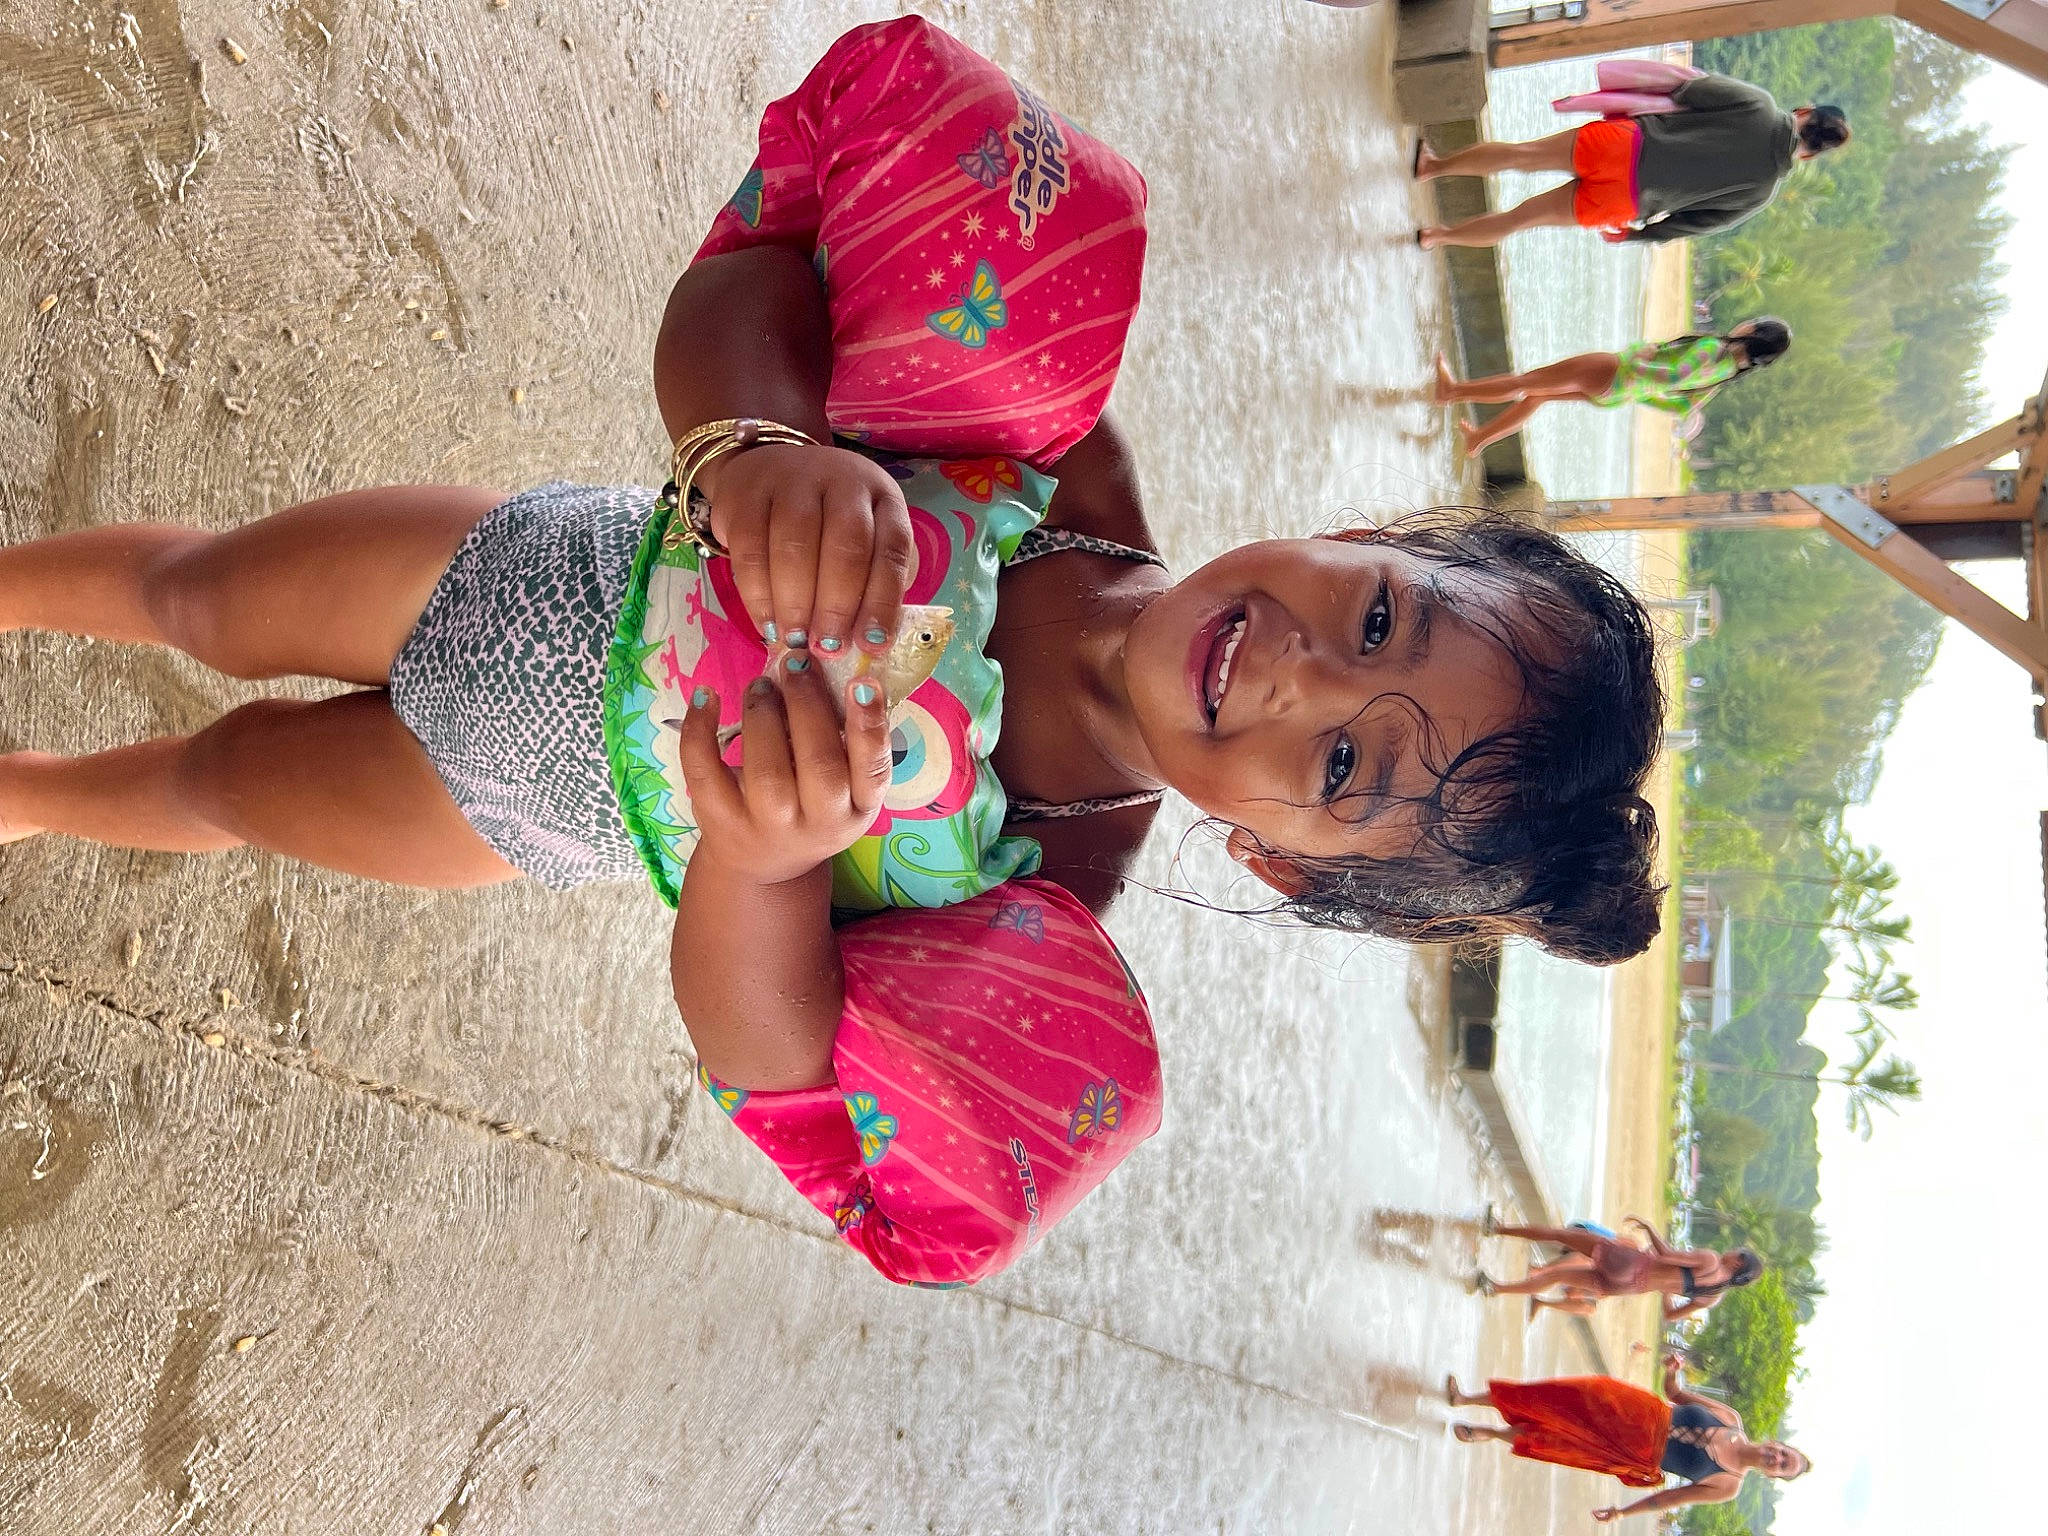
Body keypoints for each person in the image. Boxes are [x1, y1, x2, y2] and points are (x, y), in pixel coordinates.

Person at [0, 19, 1667, 1285]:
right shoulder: (1051, 462)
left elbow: (764, 1050)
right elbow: (743, 287)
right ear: (1380, 532)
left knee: (226, 784)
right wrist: (753, 450)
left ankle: (28, 796)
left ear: (1283, 864)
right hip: (521, 567)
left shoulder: (1038, 894)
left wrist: (756, 862)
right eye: (1376, 611)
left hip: (525, 807)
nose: (1302, 669)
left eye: (1341, 766)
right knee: (205, 597)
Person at [1414, 74, 1849, 249]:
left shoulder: (1760, 105)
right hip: (1628, 201)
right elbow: (1694, 224)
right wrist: (1638, 237)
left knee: (1520, 156)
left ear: (1806, 112)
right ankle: (1437, 236)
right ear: (1810, 155)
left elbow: (1688, 91)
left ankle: (1432, 167)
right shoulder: (1762, 192)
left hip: (1625, 145)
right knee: (1519, 221)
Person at [1446, 1357, 1810, 1521]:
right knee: (1563, 1396)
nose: (1776, 1458)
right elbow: (1677, 1396)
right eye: (1783, 1453)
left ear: (1772, 1476)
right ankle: (1467, 1398)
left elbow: (1669, 1498)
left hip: (1635, 1452)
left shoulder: (1728, 1485)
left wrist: (1623, 1512)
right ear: (1776, 1442)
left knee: (1557, 1439)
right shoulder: (1731, 1418)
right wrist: (1673, 1372)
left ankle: (1491, 1433)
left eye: (1782, 1466)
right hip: (1640, 1410)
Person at [1435, 318, 1792, 458]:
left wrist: (1639, 362)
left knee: (1526, 382)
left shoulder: (1715, 350)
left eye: (1755, 322)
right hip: (1617, 394)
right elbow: (1681, 407)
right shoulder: (1725, 374)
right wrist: (1640, 391)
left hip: (1615, 371)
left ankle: (1451, 391)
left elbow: (1672, 377)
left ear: (1754, 331)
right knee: (1537, 395)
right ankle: (1477, 439)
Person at [1477, 1214, 1763, 1322]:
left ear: (1738, 1262)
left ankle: (1497, 1228)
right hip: (1631, 1288)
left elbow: (1665, 1253)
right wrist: (1666, 1287)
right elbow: (1669, 1314)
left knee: (1559, 1235)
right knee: (1557, 1277)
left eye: (1737, 1251)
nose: (1731, 1250)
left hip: (1633, 1262)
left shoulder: (1712, 1260)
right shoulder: (1714, 1296)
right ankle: (1495, 1288)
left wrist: (1649, 1227)